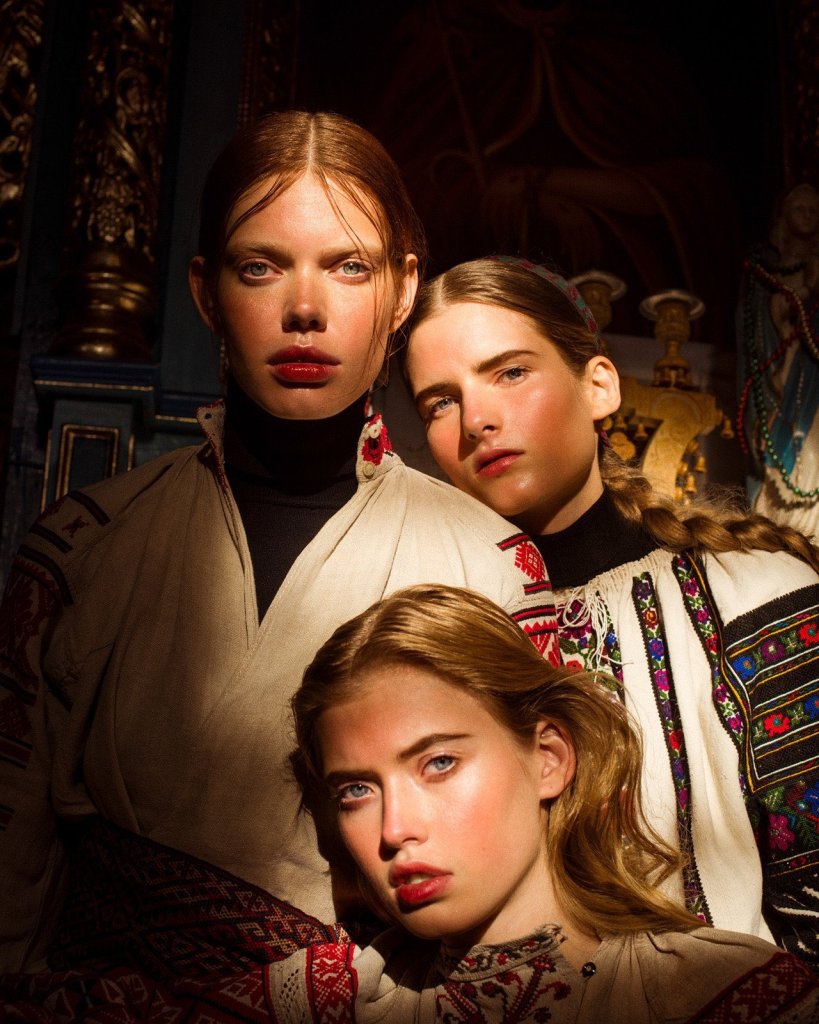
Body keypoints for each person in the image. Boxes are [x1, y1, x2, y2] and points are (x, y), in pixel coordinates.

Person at [0, 118, 558, 974]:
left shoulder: (490, 566)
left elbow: (532, 899)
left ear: (403, 291)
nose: (304, 309)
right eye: (259, 267)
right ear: (205, 291)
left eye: (349, 266)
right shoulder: (82, 548)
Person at [3, 585, 817, 1022]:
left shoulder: (720, 994)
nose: (395, 831)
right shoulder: (334, 999)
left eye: (438, 763)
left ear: (547, 759)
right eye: (356, 791)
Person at [402, 255, 819, 968]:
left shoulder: (754, 596)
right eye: (440, 402)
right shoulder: (436, 634)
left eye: (510, 372)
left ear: (598, 385)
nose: (476, 420)